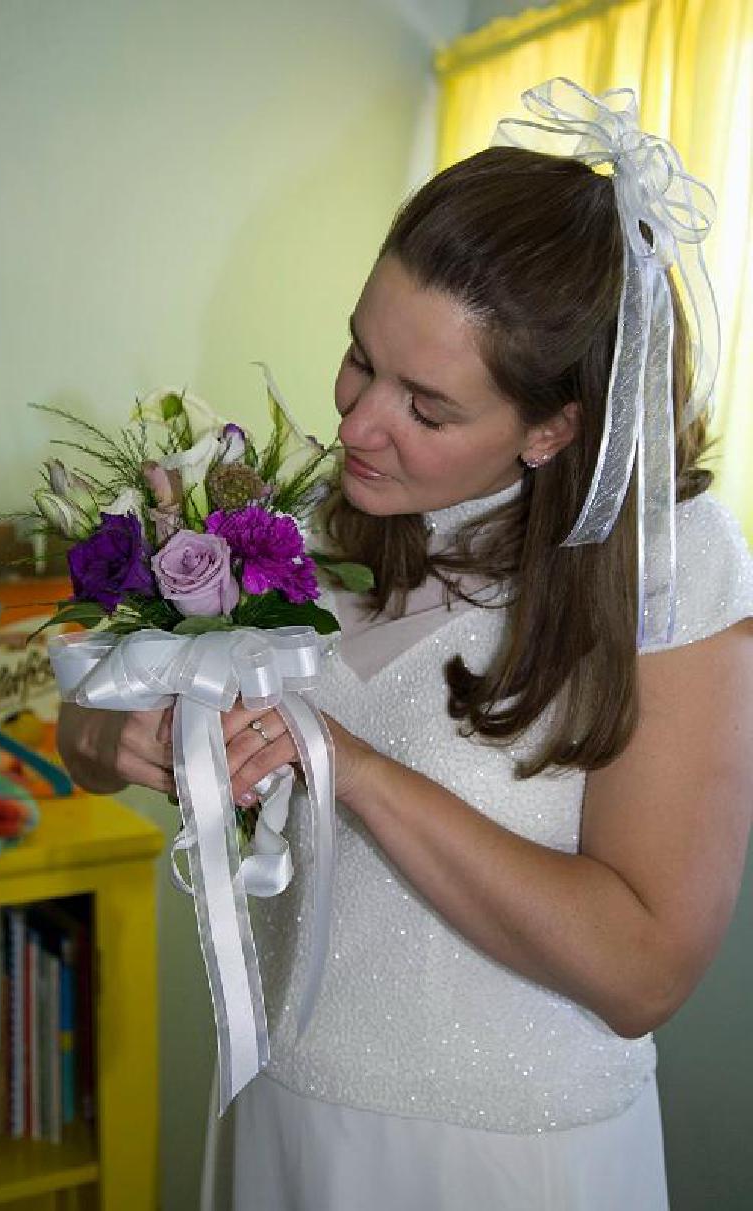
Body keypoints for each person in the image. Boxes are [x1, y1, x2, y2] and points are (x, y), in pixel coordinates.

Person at [57, 82, 753, 1210]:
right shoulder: (297, 516)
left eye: (426, 408)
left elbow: (643, 965)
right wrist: (112, 730)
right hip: (283, 1112)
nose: (355, 423)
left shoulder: (667, 572)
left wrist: (353, 771)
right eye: (357, 356)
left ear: (552, 426)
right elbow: (82, 729)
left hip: (501, 1161)